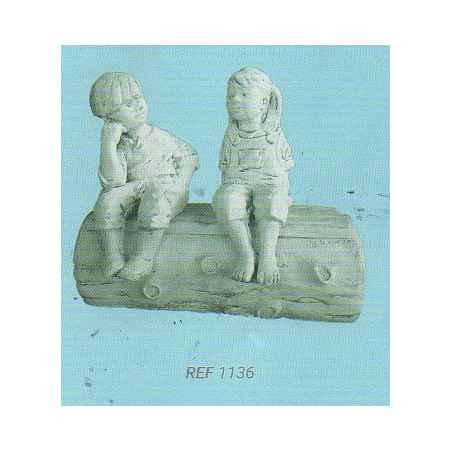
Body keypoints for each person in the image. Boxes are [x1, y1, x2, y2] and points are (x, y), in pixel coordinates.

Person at [89, 72, 199, 281]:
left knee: (156, 194)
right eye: (127, 104)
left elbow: (190, 156)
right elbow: (113, 182)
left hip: (166, 189)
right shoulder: (120, 146)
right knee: (108, 199)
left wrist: (182, 183)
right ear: (109, 118)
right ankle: (113, 257)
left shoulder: (161, 137)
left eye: (138, 97)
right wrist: (108, 143)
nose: (138, 105)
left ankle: (144, 258)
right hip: (137, 188)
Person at [212, 67, 294, 285]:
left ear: (264, 102)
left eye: (244, 95)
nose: (235, 100)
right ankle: (246, 254)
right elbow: (227, 174)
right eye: (231, 96)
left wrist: (272, 191)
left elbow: (281, 174)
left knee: (273, 201)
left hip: (270, 183)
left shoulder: (273, 135)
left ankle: (267, 255)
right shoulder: (231, 136)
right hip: (238, 183)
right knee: (226, 201)